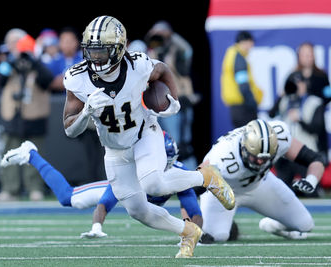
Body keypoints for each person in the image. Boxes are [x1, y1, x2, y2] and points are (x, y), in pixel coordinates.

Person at [62, 15, 235, 258]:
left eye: (102, 51)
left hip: (144, 133)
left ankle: (204, 177)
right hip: (114, 148)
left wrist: (173, 102)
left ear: (119, 49)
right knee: (137, 210)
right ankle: (187, 231)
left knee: (153, 183)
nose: (95, 57)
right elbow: (70, 129)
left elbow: (163, 70)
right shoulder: (76, 77)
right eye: (91, 51)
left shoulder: (138, 65)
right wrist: (86, 112)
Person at [0, 131, 224, 244]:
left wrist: (195, 233)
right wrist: (97, 226)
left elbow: (193, 210)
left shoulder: (178, 171)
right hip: (122, 185)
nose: (162, 165)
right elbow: (107, 201)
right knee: (69, 198)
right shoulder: (136, 169)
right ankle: (30, 154)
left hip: (141, 204)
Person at [199, 119, 325, 242]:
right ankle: (226, 225)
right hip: (221, 192)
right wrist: (189, 223)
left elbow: (316, 159)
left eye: (265, 159)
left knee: (305, 224)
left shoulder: (279, 136)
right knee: (216, 236)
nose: (260, 162)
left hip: (260, 184)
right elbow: (189, 187)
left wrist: (311, 180)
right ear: (244, 148)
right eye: (256, 158)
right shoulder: (221, 157)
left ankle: (271, 225)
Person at [0, 29, 54, 201]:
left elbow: (47, 80)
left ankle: (35, 188)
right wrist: (11, 62)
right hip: (12, 115)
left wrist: (33, 60)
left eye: (16, 42)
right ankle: (9, 189)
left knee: (34, 153)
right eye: (11, 43)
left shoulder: (38, 60)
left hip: (34, 115)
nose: (13, 46)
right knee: (9, 152)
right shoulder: (7, 62)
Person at [145, 21, 200, 169]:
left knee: (182, 145)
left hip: (179, 104)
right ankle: (167, 176)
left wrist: (169, 34)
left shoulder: (178, 52)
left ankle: (189, 177)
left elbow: (188, 50)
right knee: (162, 143)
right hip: (158, 106)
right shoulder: (152, 53)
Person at [269, 69, 327, 196]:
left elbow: (317, 128)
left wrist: (300, 120)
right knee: (281, 193)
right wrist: (281, 94)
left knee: (310, 192)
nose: (297, 87)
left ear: (305, 84)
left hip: (305, 152)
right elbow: (271, 114)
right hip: (286, 153)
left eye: (299, 83)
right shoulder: (285, 100)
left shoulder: (314, 101)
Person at [221, 30, 263, 128]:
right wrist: (253, 104)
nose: (251, 47)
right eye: (251, 43)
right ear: (246, 42)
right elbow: (243, 84)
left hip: (237, 107)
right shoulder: (238, 58)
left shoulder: (231, 54)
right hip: (243, 108)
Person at [48, 27, 83, 92]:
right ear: (59, 43)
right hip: (59, 99)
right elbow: (49, 82)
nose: (67, 44)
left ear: (77, 42)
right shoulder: (55, 61)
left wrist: (63, 80)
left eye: (70, 41)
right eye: (64, 41)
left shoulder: (84, 59)